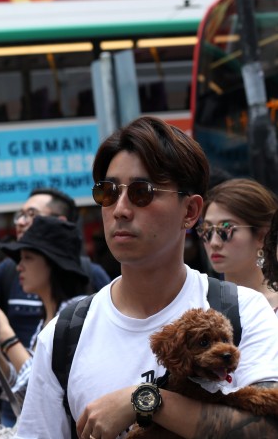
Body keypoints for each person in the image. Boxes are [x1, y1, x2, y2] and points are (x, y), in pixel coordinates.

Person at [15, 116, 278, 439]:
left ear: (191, 212)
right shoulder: (64, 334)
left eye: (142, 192)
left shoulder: (243, 311)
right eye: (108, 192)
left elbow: (268, 430)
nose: (121, 209)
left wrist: (144, 399)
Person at [0, 187, 110, 347]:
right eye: (20, 215)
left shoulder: (90, 277)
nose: (20, 222)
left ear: (59, 222)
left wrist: (7, 337)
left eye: (31, 214)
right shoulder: (8, 269)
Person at [0, 216, 91, 399]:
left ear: (53, 264)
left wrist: (6, 336)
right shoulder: (47, 318)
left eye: (28, 258)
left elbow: (39, 386)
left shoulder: (79, 315)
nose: (19, 267)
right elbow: (23, 388)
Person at [200, 178, 278, 310]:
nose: (214, 243)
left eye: (226, 229)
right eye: (207, 230)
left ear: (262, 236)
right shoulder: (197, 304)